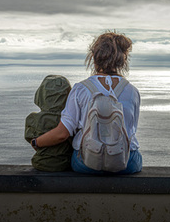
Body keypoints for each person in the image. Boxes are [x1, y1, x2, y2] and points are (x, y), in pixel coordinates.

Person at [30, 31, 142, 174]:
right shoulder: (132, 91)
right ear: (123, 61)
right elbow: (131, 130)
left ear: (94, 58)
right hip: (126, 163)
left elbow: (62, 134)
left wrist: (36, 142)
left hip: (87, 163)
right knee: (135, 155)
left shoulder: (80, 89)